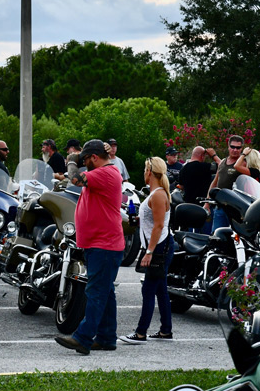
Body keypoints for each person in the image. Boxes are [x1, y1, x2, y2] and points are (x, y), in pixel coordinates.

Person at [54, 139, 125, 355]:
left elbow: (75, 179)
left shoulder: (105, 173)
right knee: (105, 292)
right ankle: (106, 338)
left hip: (104, 244)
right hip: (102, 244)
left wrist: (71, 160)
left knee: (95, 292)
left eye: (85, 159)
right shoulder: (103, 173)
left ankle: (82, 338)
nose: (84, 163)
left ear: (94, 157)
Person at [120, 157, 174, 344]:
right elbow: (153, 221)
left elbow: (159, 226)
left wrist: (149, 252)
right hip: (159, 244)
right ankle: (166, 330)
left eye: (145, 170)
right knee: (161, 290)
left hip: (159, 246)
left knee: (148, 289)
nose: (144, 173)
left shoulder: (158, 195)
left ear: (150, 172)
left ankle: (140, 333)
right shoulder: (155, 194)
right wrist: (137, 220)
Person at [204, 135, 246, 232]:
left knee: (236, 236)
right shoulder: (223, 162)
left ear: (242, 149)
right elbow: (214, 183)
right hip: (220, 206)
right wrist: (207, 202)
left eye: (238, 148)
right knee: (216, 234)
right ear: (228, 147)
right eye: (232, 147)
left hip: (236, 208)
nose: (235, 150)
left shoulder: (243, 163)